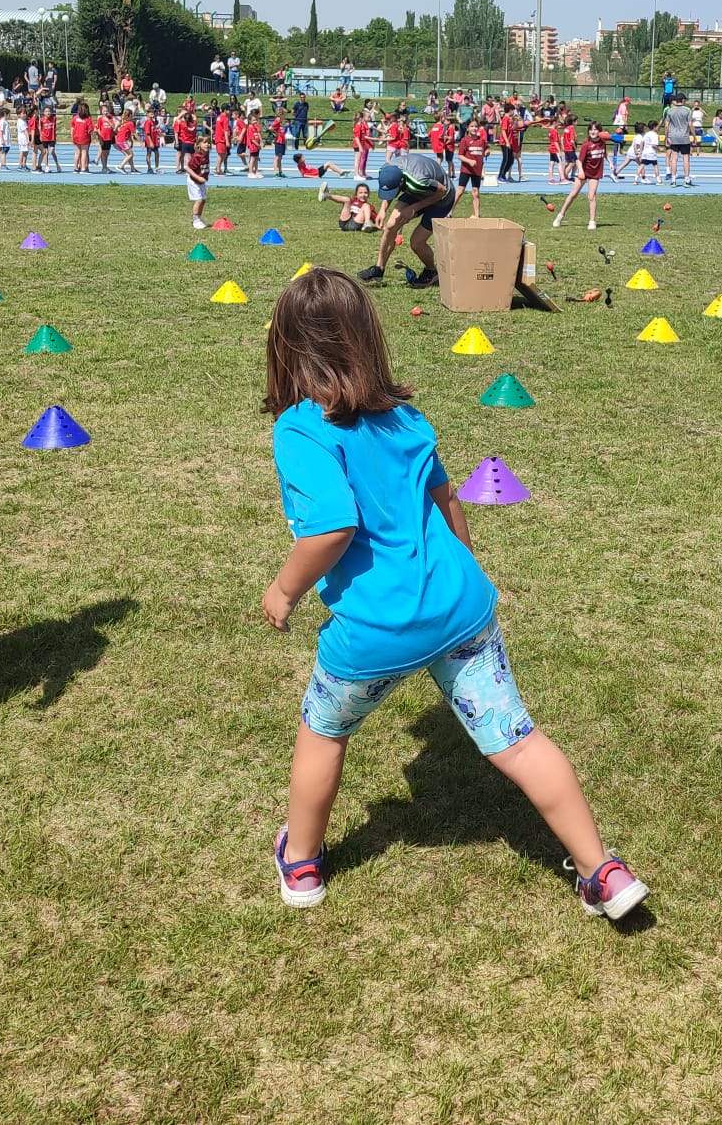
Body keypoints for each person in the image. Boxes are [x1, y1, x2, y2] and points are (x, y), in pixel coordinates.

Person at [259, 268, 651, 918]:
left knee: (323, 732)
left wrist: (282, 590)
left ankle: (301, 863)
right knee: (517, 739)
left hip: (375, 628)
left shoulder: (301, 430)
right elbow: (447, 504)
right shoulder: (406, 419)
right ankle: (603, 871)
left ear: (289, 348)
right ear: (366, 339)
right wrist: (462, 573)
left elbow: (330, 528)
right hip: (460, 609)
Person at [360, 154, 454, 288]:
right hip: (416, 192)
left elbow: (442, 191)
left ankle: (431, 271)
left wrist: (414, 208)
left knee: (416, 243)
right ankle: (378, 269)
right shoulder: (386, 170)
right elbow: (390, 188)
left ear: (401, 181)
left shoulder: (419, 180)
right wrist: (383, 209)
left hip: (442, 198)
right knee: (390, 226)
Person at [551, 122, 610, 231]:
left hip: (595, 173)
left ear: (600, 132)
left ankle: (592, 221)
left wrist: (610, 162)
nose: (593, 131)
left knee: (592, 196)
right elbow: (579, 161)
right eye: (591, 129)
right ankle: (560, 216)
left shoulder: (602, 143)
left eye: (596, 129)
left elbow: (604, 153)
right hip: (584, 172)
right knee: (573, 194)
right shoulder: (586, 145)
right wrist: (581, 171)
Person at [456, 120, 489, 217]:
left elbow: (487, 148)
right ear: (468, 128)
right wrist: (469, 161)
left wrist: (487, 151)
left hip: (477, 171)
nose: (474, 128)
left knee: (476, 193)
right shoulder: (464, 140)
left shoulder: (481, 140)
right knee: (460, 191)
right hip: (466, 170)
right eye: (472, 126)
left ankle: (477, 215)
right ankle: (449, 212)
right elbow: (460, 155)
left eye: (476, 126)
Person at [662, 95, 694, 185]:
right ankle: (687, 179)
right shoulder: (687, 110)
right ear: (683, 100)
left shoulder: (670, 110)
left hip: (673, 137)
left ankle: (673, 180)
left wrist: (666, 137)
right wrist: (694, 136)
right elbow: (690, 124)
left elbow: (667, 125)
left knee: (674, 159)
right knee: (686, 159)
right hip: (684, 137)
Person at [186, 127, 212, 230]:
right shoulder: (197, 156)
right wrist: (198, 177)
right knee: (199, 199)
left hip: (201, 181)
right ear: (199, 145)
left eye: (208, 143)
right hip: (194, 181)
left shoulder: (207, 154)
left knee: (203, 200)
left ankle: (199, 218)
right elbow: (187, 168)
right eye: (205, 143)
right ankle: (195, 220)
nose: (207, 144)